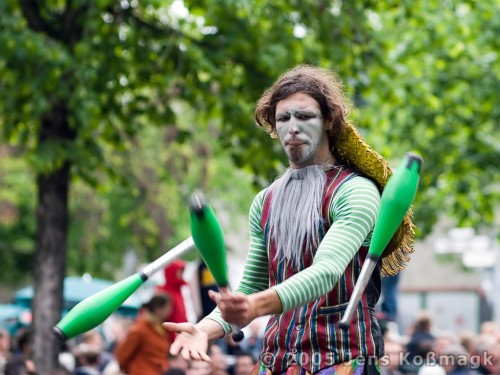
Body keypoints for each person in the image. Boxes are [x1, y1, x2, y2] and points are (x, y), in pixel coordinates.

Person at [164, 65, 415, 374]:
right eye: (283, 119)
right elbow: (251, 286)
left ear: (329, 122)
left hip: (341, 360)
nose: (292, 127)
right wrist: (205, 328)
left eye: (305, 116)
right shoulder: (265, 202)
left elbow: (326, 272)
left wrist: (255, 305)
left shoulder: (355, 192)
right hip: (277, 361)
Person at [115, 294, 172, 375]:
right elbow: (122, 355)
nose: (170, 311)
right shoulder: (140, 329)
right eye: (168, 307)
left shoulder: (159, 327)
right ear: (157, 309)